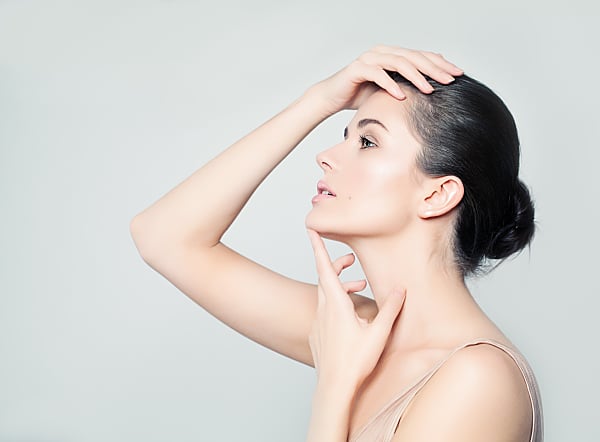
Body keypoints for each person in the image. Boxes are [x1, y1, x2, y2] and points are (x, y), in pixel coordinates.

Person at [130, 46, 543, 441]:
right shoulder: (353, 330)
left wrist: (334, 386)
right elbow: (163, 238)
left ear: (436, 195)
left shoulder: (479, 379)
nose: (325, 156)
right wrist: (319, 100)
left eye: (367, 142)